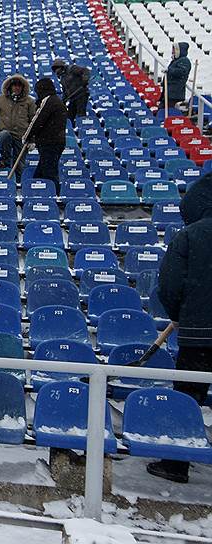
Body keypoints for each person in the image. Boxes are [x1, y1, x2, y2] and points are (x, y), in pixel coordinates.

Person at [148, 172, 212, 484]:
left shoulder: (191, 235)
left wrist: (180, 313)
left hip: (199, 334)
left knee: (188, 397)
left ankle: (175, 464)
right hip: (199, 326)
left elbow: (169, 286)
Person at [0, 74, 36, 172]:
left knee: (19, 165)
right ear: (10, 86)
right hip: (5, 132)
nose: (17, 88)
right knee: (4, 135)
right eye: (15, 85)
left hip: (22, 136)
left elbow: (34, 121)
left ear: (23, 87)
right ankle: (5, 160)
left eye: (19, 85)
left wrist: (32, 140)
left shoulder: (29, 101)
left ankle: (16, 183)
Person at [28, 78, 68, 190]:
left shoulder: (48, 101)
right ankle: (36, 192)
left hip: (49, 142)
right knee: (41, 172)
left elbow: (37, 121)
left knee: (49, 173)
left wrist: (27, 137)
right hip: (56, 142)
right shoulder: (57, 101)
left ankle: (52, 196)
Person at [161, 42, 192, 110]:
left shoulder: (184, 60)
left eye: (174, 49)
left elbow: (182, 72)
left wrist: (169, 70)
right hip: (170, 92)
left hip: (175, 93)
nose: (172, 52)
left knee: (170, 112)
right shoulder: (176, 60)